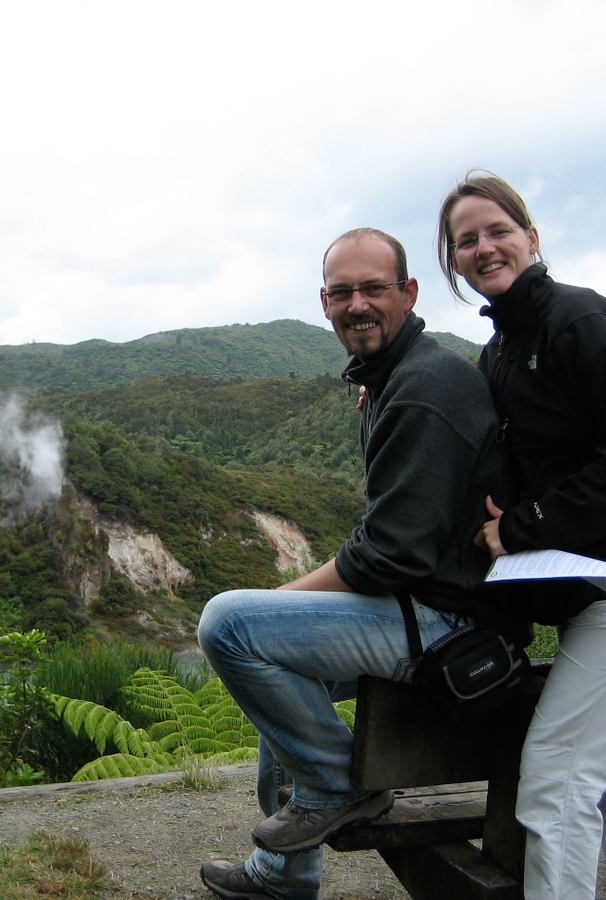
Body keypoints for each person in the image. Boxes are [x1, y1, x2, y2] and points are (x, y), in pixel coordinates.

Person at [197, 227, 522, 900]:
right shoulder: (394, 379)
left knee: (230, 625)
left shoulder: (425, 386)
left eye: (374, 288)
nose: (358, 305)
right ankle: (283, 878)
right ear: (323, 303)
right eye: (342, 293)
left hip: (447, 625)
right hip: (425, 608)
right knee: (279, 688)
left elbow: (389, 554)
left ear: (407, 293)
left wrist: (280, 600)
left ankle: (339, 786)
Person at [435, 171, 606, 900]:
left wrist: (520, 528)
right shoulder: (502, 349)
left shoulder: (586, 323)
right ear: (454, 262)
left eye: (498, 231)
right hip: (597, 584)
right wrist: (382, 388)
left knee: (555, 780)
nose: (485, 247)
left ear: (531, 237)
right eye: (466, 240)